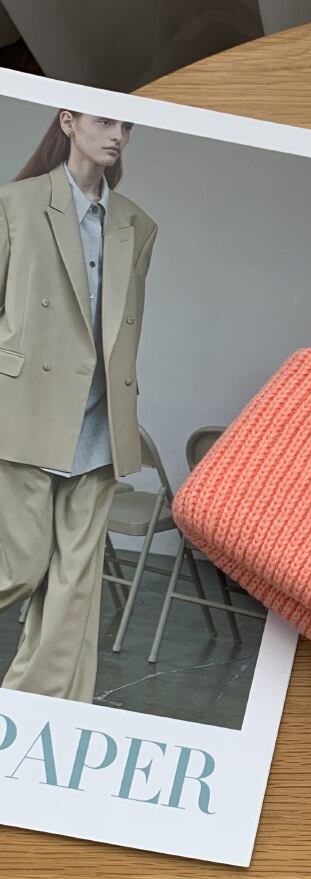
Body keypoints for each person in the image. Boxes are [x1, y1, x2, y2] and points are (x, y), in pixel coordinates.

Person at [0, 110, 157, 703]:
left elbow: (121, 330)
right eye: (105, 122)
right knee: (19, 567)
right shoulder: (15, 204)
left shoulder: (137, 225)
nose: (118, 135)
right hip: (25, 412)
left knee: (73, 590)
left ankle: (31, 716)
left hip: (99, 424)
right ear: (67, 121)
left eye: (128, 126)